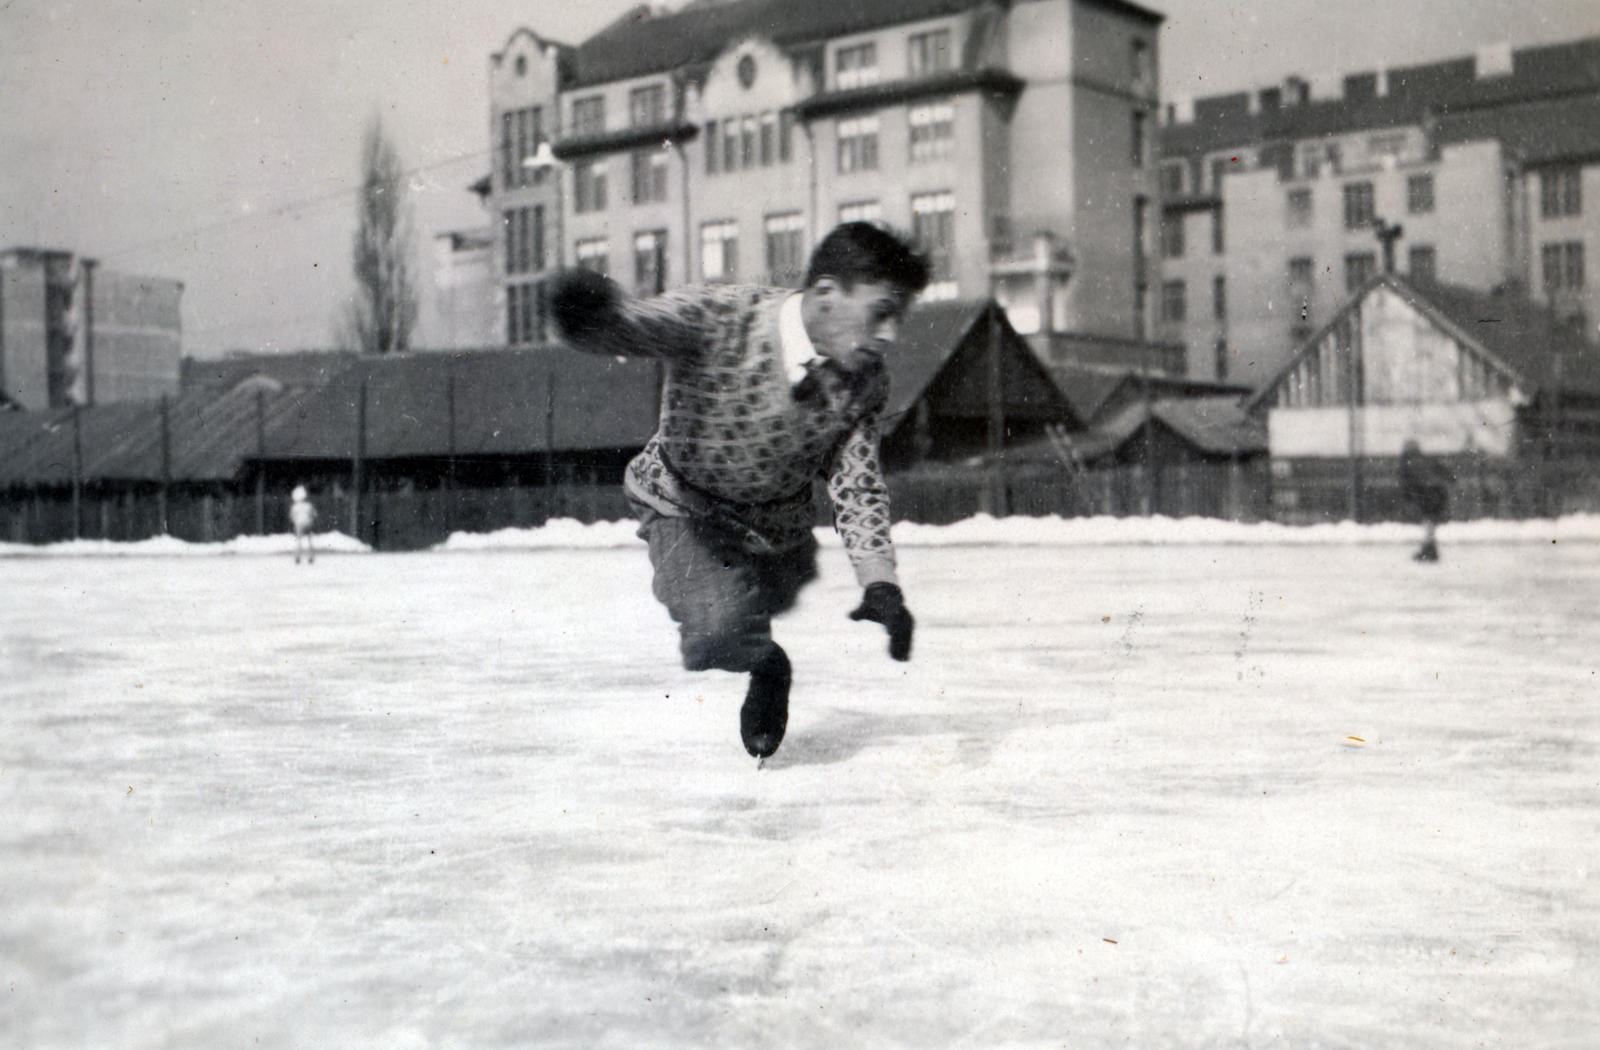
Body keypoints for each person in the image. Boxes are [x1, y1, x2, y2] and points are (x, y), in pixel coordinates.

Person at [549, 222, 928, 762]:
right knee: (715, 634)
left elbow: (857, 484)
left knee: (764, 599)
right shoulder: (723, 316)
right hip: (681, 504)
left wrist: (881, 584)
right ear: (825, 294)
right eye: (880, 312)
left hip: (777, 529)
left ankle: (756, 628)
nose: (889, 334)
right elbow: (638, 325)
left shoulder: (865, 382)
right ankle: (767, 664)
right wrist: (590, 317)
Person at [1397, 440, 1450, 562]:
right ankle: (1430, 548)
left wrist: (1408, 499)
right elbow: (1445, 472)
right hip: (1438, 492)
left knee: (1427, 521)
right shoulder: (1426, 460)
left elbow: (1406, 483)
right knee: (1430, 522)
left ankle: (1429, 549)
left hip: (1425, 494)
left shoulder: (1407, 464)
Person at [289, 484, 318, 564]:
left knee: (299, 541)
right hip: (308, 522)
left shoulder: (295, 506)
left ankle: (298, 557)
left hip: (299, 524)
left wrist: (295, 521)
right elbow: (314, 514)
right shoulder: (309, 505)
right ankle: (311, 557)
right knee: (309, 540)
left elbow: (292, 516)